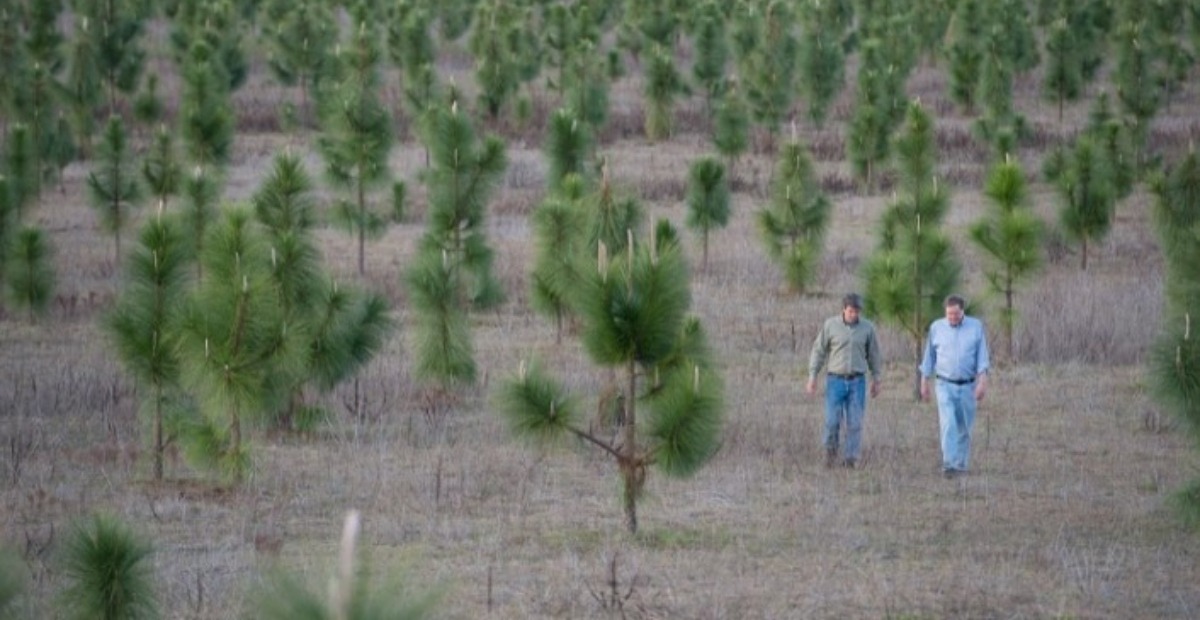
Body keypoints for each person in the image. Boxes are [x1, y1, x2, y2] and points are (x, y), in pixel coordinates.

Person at [806, 293, 883, 469]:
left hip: (857, 381)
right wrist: (812, 376)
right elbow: (819, 351)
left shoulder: (867, 328)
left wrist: (876, 379)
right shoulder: (830, 326)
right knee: (832, 420)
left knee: (855, 422)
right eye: (850, 311)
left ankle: (850, 459)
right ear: (844, 309)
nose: (854, 314)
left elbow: (874, 355)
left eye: (857, 311)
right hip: (836, 380)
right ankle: (830, 453)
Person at [919, 294, 991, 479]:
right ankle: (949, 464)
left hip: (968, 385)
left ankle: (961, 465)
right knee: (948, 423)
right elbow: (929, 357)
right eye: (949, 314)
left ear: (962, 311)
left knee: (964, 427)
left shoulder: (975, 327)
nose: (953, 318)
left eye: (956, 314)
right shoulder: (936, 328)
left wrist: (982, 381)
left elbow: (982, 358)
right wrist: (924, 381)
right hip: (944, 383)